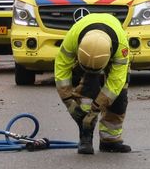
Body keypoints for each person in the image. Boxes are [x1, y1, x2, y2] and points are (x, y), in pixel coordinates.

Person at [55, 13, 132, 155]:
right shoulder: (72, 38)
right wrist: (69, 102)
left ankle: (110, 140)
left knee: (119, 95)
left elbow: (115, 85)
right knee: (87, 89)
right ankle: (86, 136)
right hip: (84, 56)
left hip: (113, 50)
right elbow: (61, 69)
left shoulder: (121, 47)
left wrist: (96, 108)